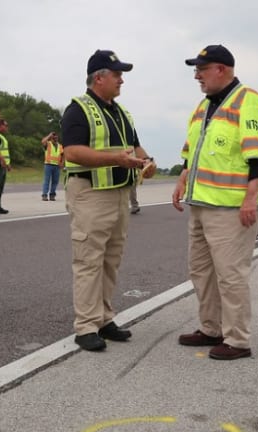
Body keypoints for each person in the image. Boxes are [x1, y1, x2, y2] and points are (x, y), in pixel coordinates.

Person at [171, 44, 258, 361]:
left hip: (232, 209)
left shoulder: (249, 102)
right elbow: (194, 152)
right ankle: (211, 328)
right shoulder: (204, 107)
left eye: (201, 70)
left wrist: (251, 198)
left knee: (231, 275)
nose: (196, 76)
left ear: (221, 69)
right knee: (201, 272)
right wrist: (182, 178)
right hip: (202, 204)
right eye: (195, 70)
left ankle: (238, 340)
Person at [61, 49, 155, 352]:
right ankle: (86, 326)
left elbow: (135, 146)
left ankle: (103, 318)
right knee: (89, 261)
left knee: (110, 261)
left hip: (118, 195)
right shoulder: (78, 109)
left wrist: (147, 161)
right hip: (90, 194)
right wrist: (115, 159)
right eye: (116, 74)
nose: (121, 80)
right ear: (99, 77)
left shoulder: (121, 112)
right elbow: (72, 152)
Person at [40, 131, 64, 201]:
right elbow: (43, 141)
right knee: (46, 181)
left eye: (56, 137)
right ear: (51, 138)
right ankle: (44, 195)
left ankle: (52, 195)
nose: (55, 138)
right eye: (54, 137)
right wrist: (49, 135)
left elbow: (63, 155)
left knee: (55, 181)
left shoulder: (60, 146)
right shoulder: (48, 144)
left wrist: (62, 163)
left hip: (57, 166)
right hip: (48, 165)